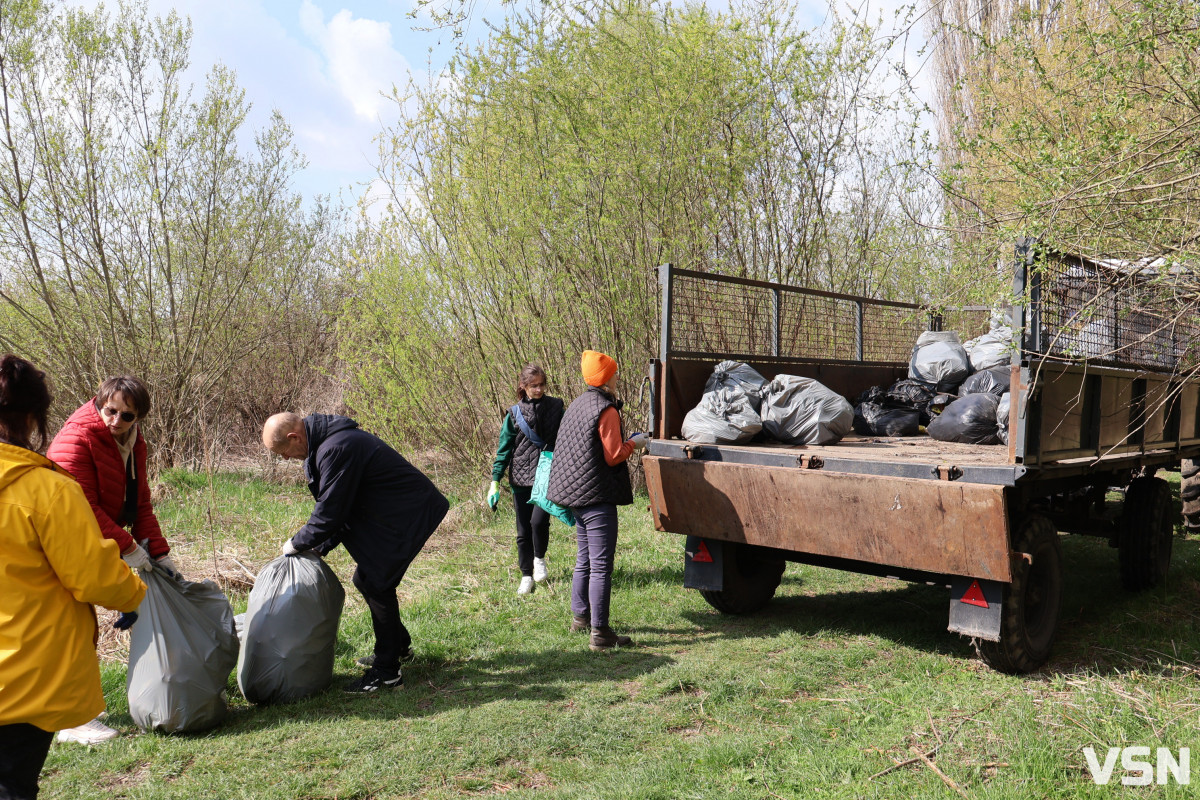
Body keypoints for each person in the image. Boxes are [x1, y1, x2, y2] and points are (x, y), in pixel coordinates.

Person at [0, 356, 146, 800]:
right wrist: (134, 590)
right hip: (22, 676)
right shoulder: (45, 489)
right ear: (32, 417)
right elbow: (93, 576)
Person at [262, 412, 449, 693]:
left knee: (377, 583)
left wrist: (296, 543)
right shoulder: (326, 446)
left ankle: (387, 672)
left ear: (294, 437)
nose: (285, 459)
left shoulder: (336, 448)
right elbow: (344, 506)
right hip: (395, 513)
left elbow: (331, 512)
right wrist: (318, 546)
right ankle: (397, 647)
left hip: (409, 513)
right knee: (367, 580)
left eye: (283, 452)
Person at [46, 374, 178, 744]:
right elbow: (81, 506)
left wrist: (159, 551)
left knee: (80, 624)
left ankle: (76, 708)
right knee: (68, 624)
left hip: (93, 539)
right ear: (99, 404)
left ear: (139, 418)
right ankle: (69, 718)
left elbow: (140, 503)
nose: (116, 420)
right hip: (62, 539)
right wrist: (128, 547)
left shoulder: (133, 443)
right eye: (111, 411)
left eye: (127, 415)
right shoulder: (78, 438)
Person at [546, 350, 648, 651]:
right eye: (614, 373)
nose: (617, 378)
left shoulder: (578, 404)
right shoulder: (607, 409)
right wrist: (636, 443)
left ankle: (581, 618)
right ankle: (601, 634)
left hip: (576, 495)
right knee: (601, 565)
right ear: (606, 378)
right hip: (597, 497)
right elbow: (614, 455)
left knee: (585, 559)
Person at [487, 364, 565, 595]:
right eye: (534, 386)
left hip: (547, 475)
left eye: (542, 385)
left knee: (538, 522)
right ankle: (526, 576)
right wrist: (494, 482)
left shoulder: (556, 406)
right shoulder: (513, 414)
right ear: (523, 386)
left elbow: (566, 437)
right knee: (523, 532)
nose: (539, 389)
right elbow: (504, 450)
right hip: (520, 478)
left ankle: (539, 559)